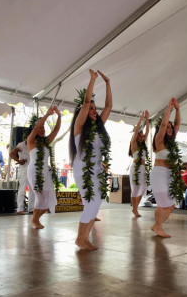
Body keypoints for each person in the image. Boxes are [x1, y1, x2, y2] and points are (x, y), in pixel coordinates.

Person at [69, 69, 112, 250]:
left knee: (95, 204)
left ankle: (85, 238)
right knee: (91, 203)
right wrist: (93, 80)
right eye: (91, 109)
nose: (94, 111)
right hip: (83, 169)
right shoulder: (79, 127)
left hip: (97, 170)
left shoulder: (98, 128)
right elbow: (86, 101)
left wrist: (108, 84)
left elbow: (108, 107)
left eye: (95, 109)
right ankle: (80, 238)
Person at [150, 97, 182, 238]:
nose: (169, 129)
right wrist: (169, 109)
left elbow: (177, 124)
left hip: (170, 175)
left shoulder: (171, 143)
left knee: (171, 205)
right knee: (163, 204)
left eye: (171, 128)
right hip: (159, 175)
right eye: (167, 127)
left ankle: (157, 225)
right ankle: (158, 226)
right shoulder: (159, 141)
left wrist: (178, 109)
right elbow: (163, 126)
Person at [27, 106, 61, 229]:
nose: (42, 130)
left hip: (45, 171)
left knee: (48, 199)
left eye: (43, 128)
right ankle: (34, 220)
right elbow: (36, 127)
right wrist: (47, 115)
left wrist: (59, 116)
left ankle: (35, 219)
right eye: (40, 128)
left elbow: (56, 130)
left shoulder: (46, 141)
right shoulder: (30, 141)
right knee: (40, 196)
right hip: (34, 170)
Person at [128, 110, 150, 217]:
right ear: (136, 136)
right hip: (135, 168)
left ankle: (135, 207)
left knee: (143, 187)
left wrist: (147, 119)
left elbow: (148, 132)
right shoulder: (134, 144)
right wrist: (141, 119)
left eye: (142, 136)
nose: (141, 137)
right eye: (139, 136)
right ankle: (134, 209)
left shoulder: (142, 145)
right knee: (135, 188)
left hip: (142, 168)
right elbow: (137, 130)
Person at [10, 137, 35, 215]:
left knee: (32, 189)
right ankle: (19, 209)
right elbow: (11, 153)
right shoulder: (21, 145)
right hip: (24, 169)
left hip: (32, 168)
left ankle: (31, 208)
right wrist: (18, 161)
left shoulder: (34, 144)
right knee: (22, 188)